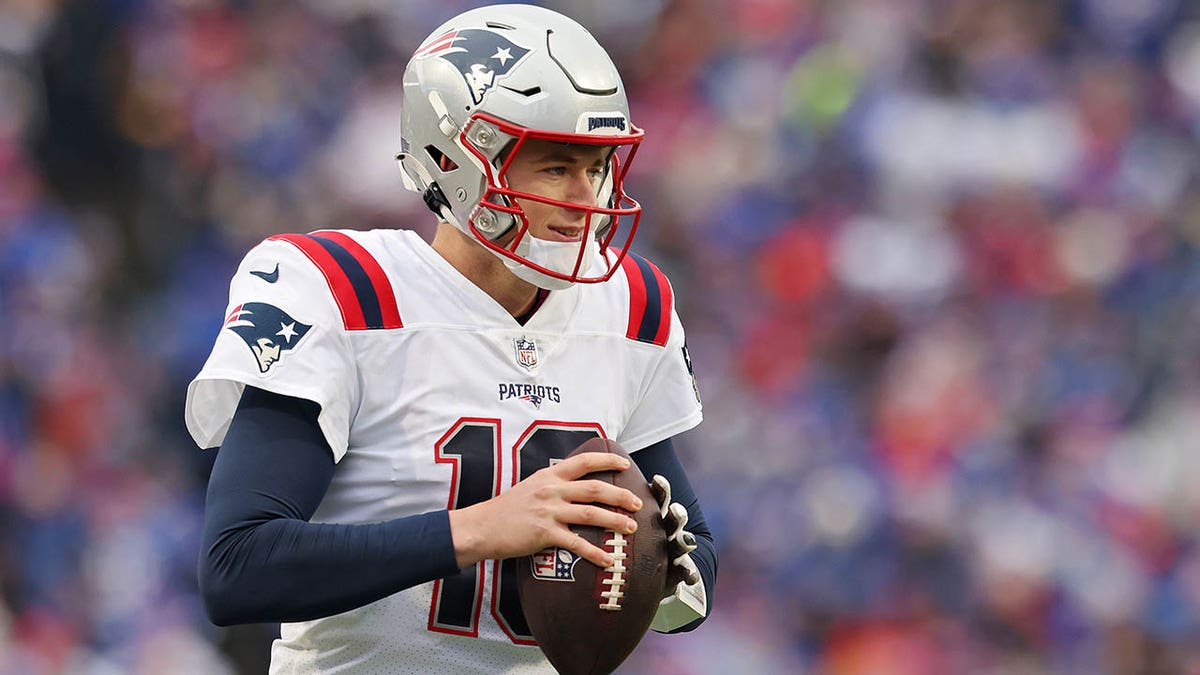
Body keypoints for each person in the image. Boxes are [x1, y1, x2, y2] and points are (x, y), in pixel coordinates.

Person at [185, 4, 716, 673]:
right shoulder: (342, 291)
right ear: (454, 160)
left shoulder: (632, 307)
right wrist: (480, 528)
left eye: (600, 166)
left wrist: (663, 573)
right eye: (555, 167)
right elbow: (236, 566)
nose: (587, 198)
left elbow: (695, 556)